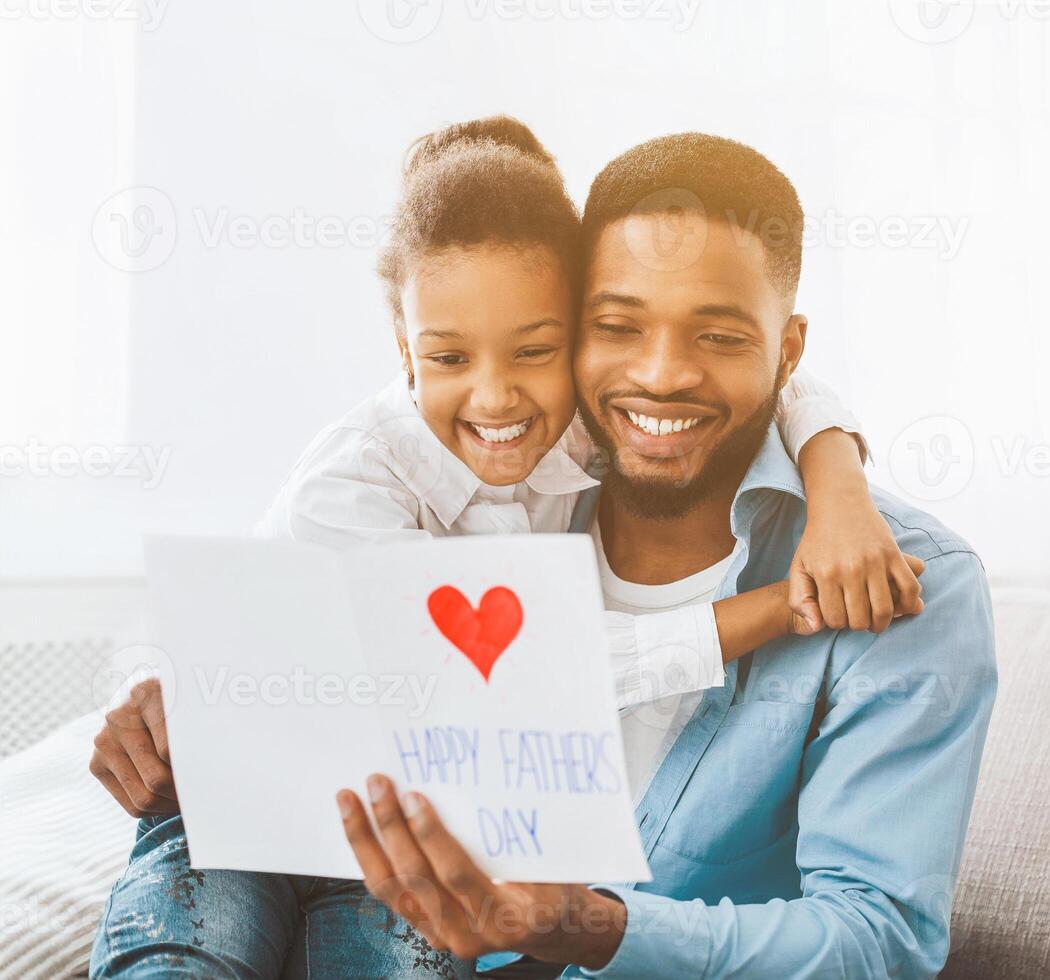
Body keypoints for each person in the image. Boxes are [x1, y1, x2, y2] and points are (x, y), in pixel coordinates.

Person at [87, 119, 926, 978]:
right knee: (182, 960)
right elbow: (552, 671)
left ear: (570, 338)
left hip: (400, 834)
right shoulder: (350, 489)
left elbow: (759, 362)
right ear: (405, 353)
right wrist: (779, 607)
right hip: (243, 813)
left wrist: (838, 484)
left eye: (535, 350)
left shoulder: (583, 435)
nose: (496, 395)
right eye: (451, 356)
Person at [337, 132, 997, 978]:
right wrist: (194, 717)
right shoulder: (499, 504)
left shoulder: (907, 581)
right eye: (617, 326)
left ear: (787, 350)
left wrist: (593, 929)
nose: (660, 375)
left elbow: (881, 942)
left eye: (719, 338)